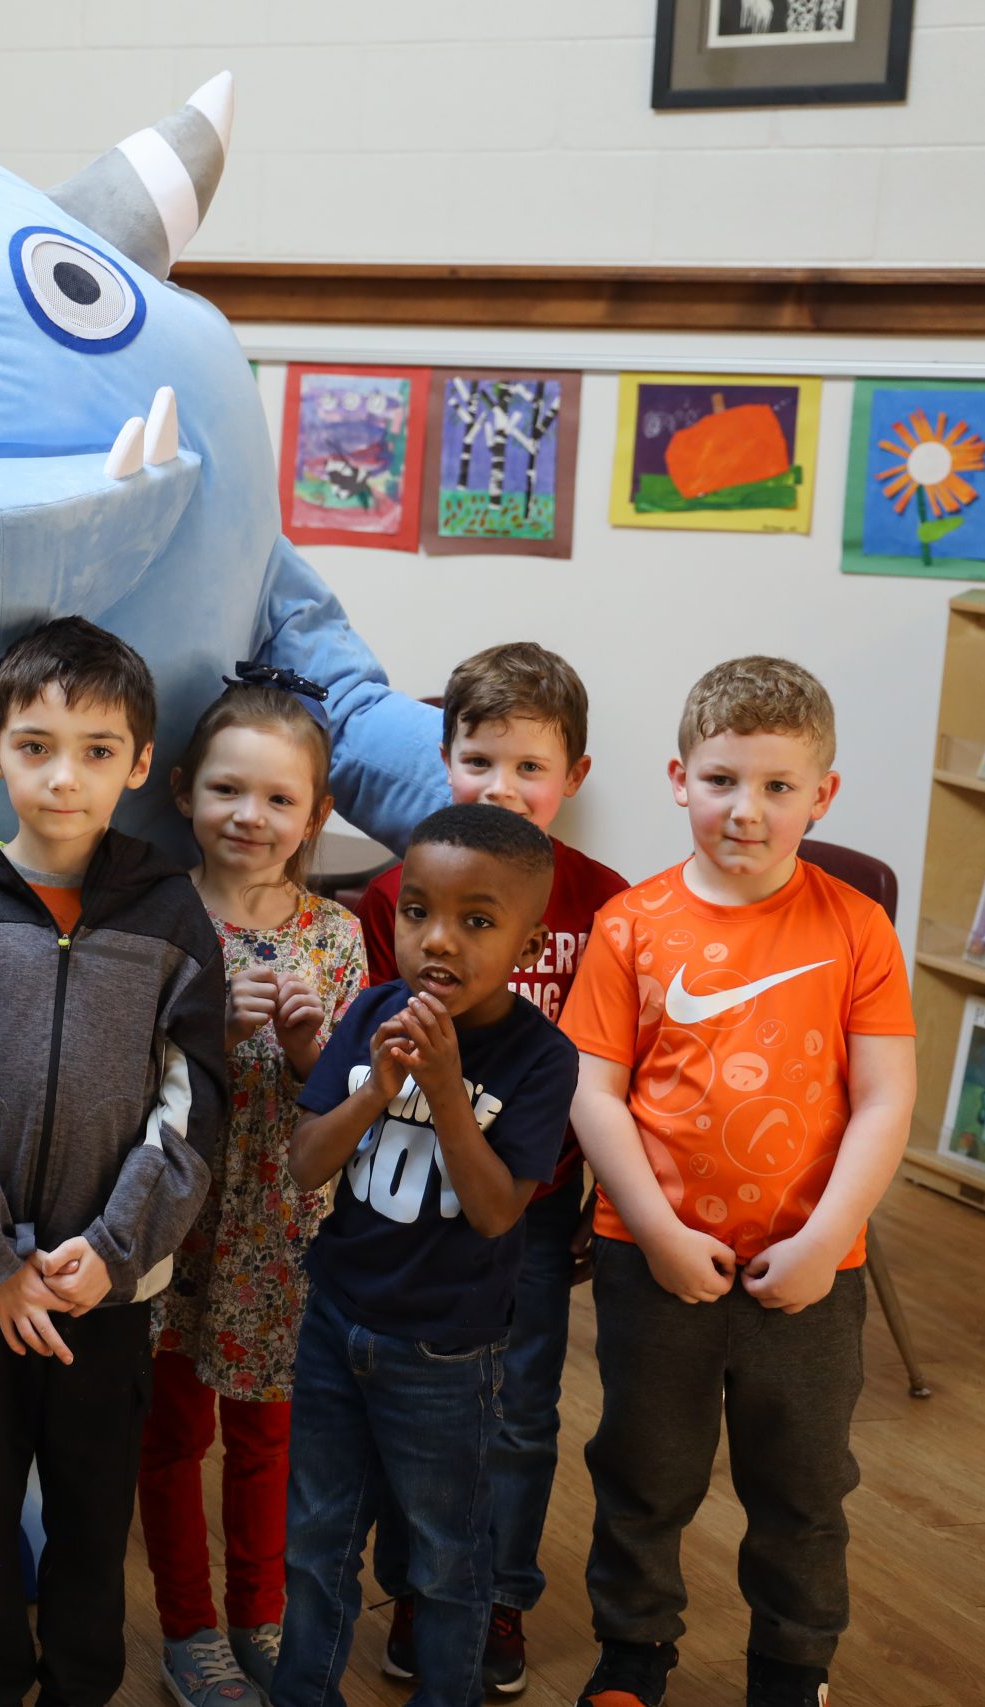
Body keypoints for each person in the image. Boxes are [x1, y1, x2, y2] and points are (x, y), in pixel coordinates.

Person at [560, 657, 916, 1707]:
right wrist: (659, 1233)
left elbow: (885, 1100)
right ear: (680, 779)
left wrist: (824, 1241)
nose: (745, 810)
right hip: (652, 1260)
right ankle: (632, 1653)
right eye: (720, 780)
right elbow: (592, 1093)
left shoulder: (855, 928)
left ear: (822, 795)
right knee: (643, 1472)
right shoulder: (631, 924)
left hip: (809, 1270)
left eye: (776, 785)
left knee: (803, 1485)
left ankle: (791, 1668)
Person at [0, 615, 229, 1707]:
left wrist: (115, 1251)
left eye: (96, 750)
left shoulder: (172, 915)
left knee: (92, 1516)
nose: (63, 776)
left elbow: (194, 1101)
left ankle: (83, 1686)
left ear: (139, 763)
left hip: (105, 1292)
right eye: (35, 746)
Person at [354, 642, 628, 1695]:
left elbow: (615, 1066)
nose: (501, 787)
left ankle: (500, 1595)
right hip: (414, 1202)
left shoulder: (606, 905)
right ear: (444, 760)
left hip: (537, 1209)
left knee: (517, 1410)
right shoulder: (393, 897)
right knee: (410, 1407)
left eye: (529, 767)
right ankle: (419, 1589)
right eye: (478, 761)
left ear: (574, 777)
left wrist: (601, 1186)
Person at [273, 804, 578, 1707]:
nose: (438, 939)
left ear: (527, 944)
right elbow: (304, 1163)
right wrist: (378, 1088)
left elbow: (495, 1212)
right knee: (316, 1541)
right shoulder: (373, 1009)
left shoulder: (542, 1057)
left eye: (477, 920)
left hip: (447, 1351)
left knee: (447, 1559)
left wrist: (446, 1090)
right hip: (336, 1323)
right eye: (417, 911)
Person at [142, 678, 365, 1707]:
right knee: (171, 1430)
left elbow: (347, 1096)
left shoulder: (337, 934)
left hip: (282, 1228)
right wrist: (212, 1028)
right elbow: (120, 1067)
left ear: (316, 814)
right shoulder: (157, 916)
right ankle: (189, 1628)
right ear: (184, 790)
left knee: (268, 1433)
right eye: (228, 789)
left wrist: (309, 1043)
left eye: (280, 798)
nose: (251, 815)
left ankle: (260, 1615)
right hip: (173, 1219)